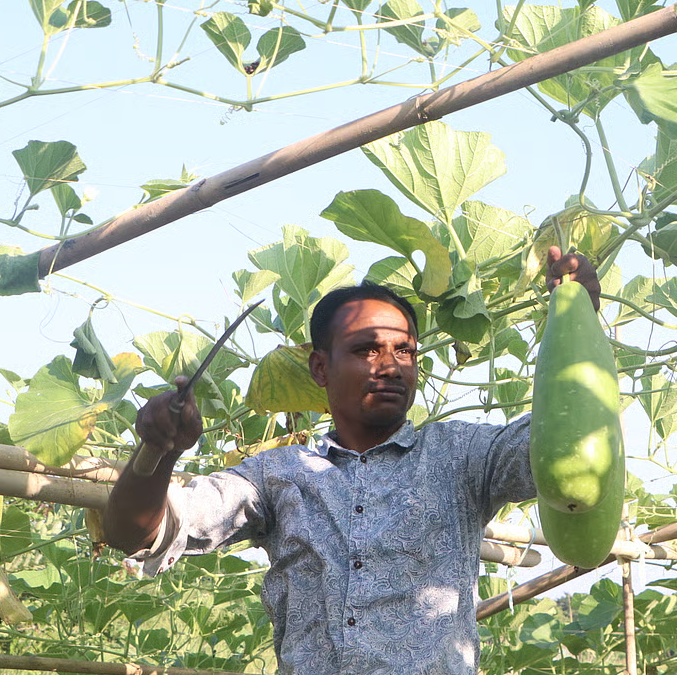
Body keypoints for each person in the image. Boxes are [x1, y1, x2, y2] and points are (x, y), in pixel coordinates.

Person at [104, 246, 601, 675]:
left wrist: (579, 321)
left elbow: (565, 444)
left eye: (404, 350)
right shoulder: (278, 475)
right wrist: (159, 451)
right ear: (321, 366)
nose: (390, 365)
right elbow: (135, 533)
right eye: (366, 349)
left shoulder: (462, 456)